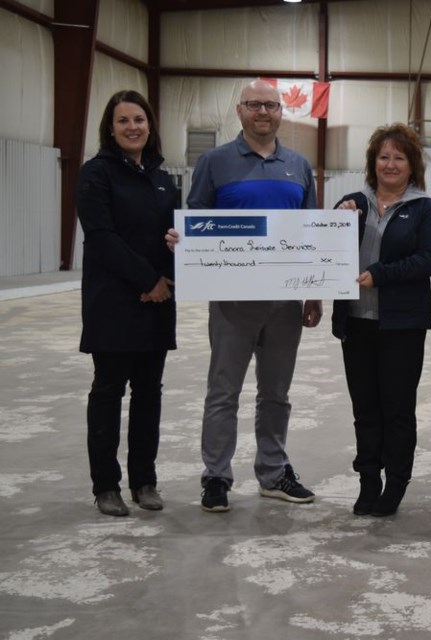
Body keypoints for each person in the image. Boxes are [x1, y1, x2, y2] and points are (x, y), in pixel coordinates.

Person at [168, 79, 322, 512]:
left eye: (271, 106)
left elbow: (311, 234)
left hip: (285, 303)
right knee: (223, 392)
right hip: (232, 302)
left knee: (276, 394)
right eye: (254, 104)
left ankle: (273, 473)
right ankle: (216, 476)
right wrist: (183, 242)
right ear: (240, 111)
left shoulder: (299, 165)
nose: (263, 112)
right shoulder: (215, 162)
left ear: (280, 113)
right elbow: (195, 219)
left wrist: (314, 293)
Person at [332, 124, 431, 517]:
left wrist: (381, 274)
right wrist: (337, 218)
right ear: (372, 163)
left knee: (397, 408)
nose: (390, 164)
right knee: (365, 407)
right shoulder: (352, 202)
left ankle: (396, 482)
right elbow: (325, 250)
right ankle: (367, 480)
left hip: (402, 325)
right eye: (383, 157)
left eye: (399, 157)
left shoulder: (424, 208)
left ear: (412, 165)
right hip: (356, 321)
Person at [76, 90, 177, 516]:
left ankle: (144, 481)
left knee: (149, 394)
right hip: (113, 302)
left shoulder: (162, 178)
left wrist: (172, 268)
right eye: (123, 121)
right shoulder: (96, 174)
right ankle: (106, 486)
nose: (132, 127)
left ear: (150, 125)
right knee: (108, 391)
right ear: (110, 128)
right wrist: (149, 279)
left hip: (157, 302)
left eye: (139, 119)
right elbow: (102, 239)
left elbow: (173, 235)